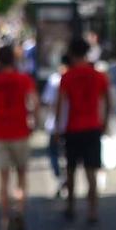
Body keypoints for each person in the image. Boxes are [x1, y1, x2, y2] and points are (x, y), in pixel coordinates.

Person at [0, 44, 37, 230]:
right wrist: (34, 124)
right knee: (21, 177)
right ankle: (19, 211)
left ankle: (5, 219)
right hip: (20, 132)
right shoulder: (24, 80)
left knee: (3, 180)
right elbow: (33, 103)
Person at [57, 37, 109, 226]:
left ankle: (70, 206)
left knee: (70, 170)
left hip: (73, 128)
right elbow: (108, 100)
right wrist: (105, 122)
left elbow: (60, 105)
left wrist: (57, 128)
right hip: (93, 126)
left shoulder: (67, 76)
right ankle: (92, 210)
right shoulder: (98, 75)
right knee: (92, 172)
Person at [40, 55, 68, 198]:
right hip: (69, 125)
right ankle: (64, 179)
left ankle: (61, 178)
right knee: (64, 155)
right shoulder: (64, 80)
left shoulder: (55, 80)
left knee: (54, 154)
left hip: (56, 125)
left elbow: (48, 101)